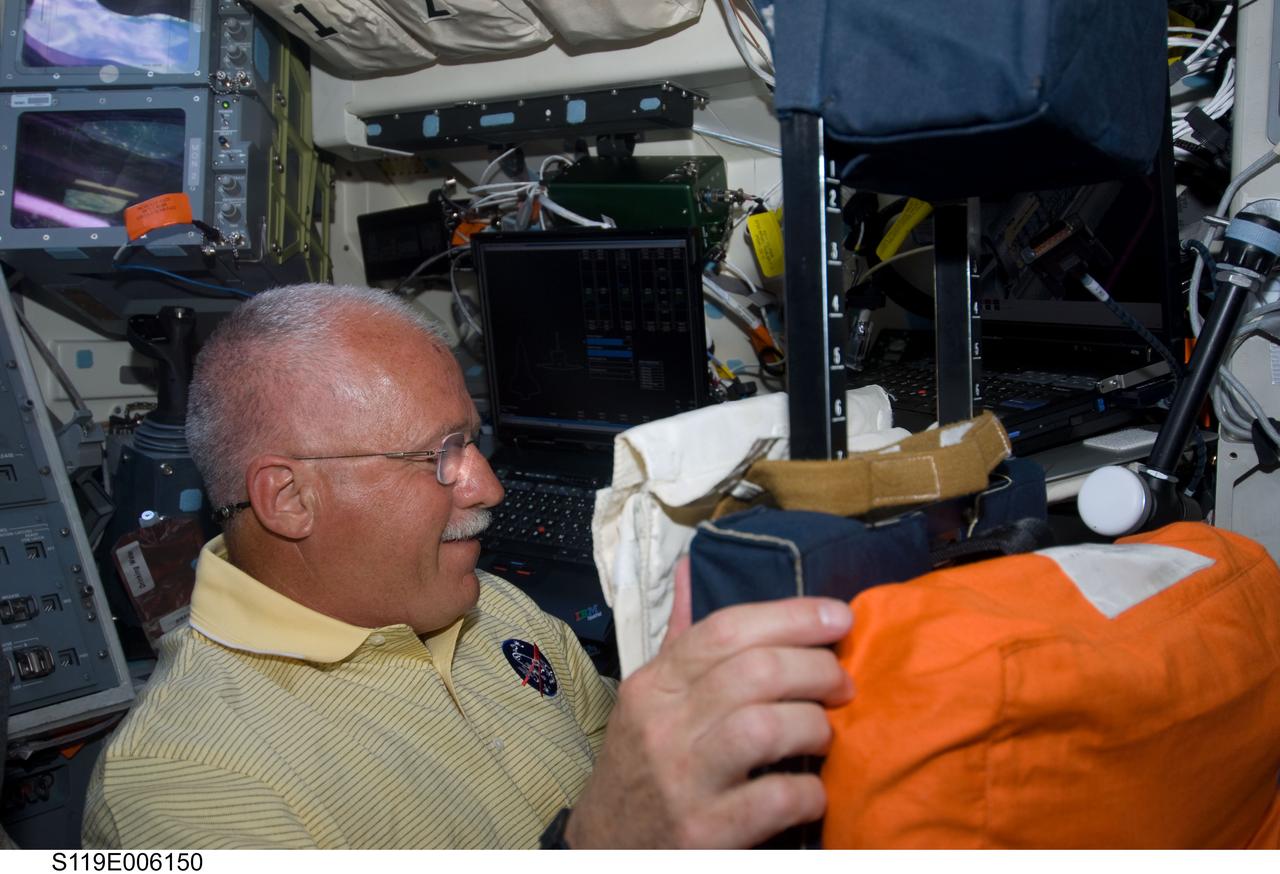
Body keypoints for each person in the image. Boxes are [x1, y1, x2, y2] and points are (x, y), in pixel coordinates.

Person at [81, 283, 854, 849]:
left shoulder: (492, 608)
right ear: (288, 499)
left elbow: (637, 761)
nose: (487, 486)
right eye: (439, 457)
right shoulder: (185, 786)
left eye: (472, 444)